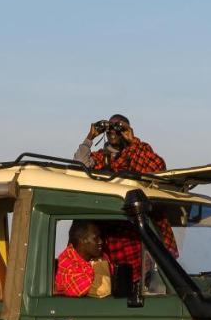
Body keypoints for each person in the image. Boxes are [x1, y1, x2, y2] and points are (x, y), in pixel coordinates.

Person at [73, 114, 177, 280]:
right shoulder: (100, 157)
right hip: (111, 231)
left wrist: (132, 140)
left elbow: (158, 166)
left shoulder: (137, 153)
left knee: (144, 274)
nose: (114, 133)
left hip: (134, 231)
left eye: (119, 128)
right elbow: (79, 164)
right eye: (110, 130)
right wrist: (90, 137)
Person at [54, 221, 111, 298]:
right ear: (82, 240)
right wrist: (98, 264)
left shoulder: (97, 255)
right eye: (96, 238)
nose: (101, 241)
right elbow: (103, 290)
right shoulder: (67, 264)